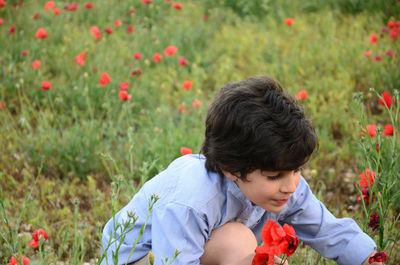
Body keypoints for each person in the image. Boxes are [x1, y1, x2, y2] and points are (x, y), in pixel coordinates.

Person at [101, 76, 381, 265]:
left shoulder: (286, 185)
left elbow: (326, 230)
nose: (291, 185)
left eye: (296, 170)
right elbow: (175, 259)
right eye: (275, 177)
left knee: (255, 254)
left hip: (204, 248)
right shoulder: (191, 202)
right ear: (231, 169)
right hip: (143, 256)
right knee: (238, 244)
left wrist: (369, 257)